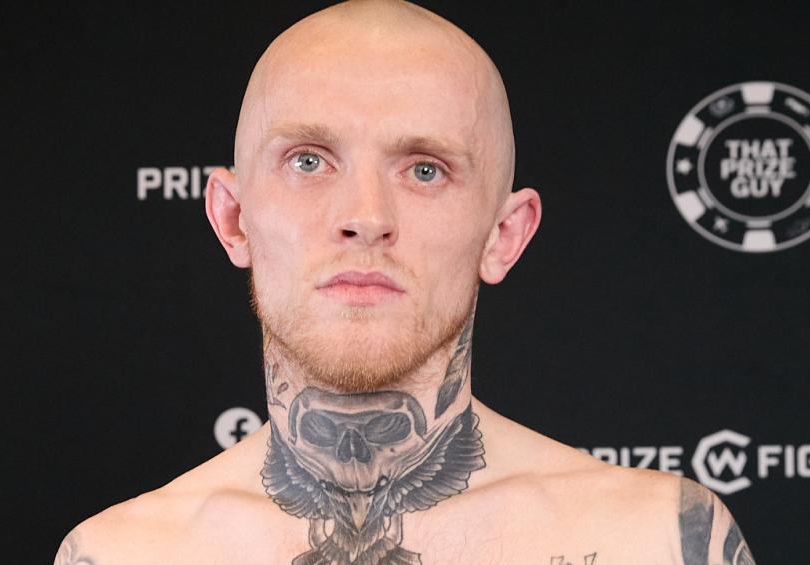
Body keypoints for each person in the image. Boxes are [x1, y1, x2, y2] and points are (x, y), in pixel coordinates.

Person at [56, 1, 755, 563]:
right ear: (233, 218)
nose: (366, 217)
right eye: (308, 161)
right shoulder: (120, 554)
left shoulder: (660, 541)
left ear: (504, 235)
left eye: (425, 169)